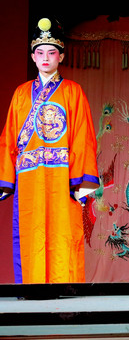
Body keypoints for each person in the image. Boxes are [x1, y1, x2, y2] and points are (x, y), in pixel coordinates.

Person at [0, 17, 99, 283]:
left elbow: (83, 137)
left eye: (52, 52)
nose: (45, 58)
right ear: (33, 57)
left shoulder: (73, 92)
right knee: (31, 232)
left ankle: (64, 290)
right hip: (29, 177)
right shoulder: (21, 93)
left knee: (62, 232)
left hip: (62, 176)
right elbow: (9, 137)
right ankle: (31, 289)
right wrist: (6, 178)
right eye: (40, 52)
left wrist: (80, 180)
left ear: (61, 56)